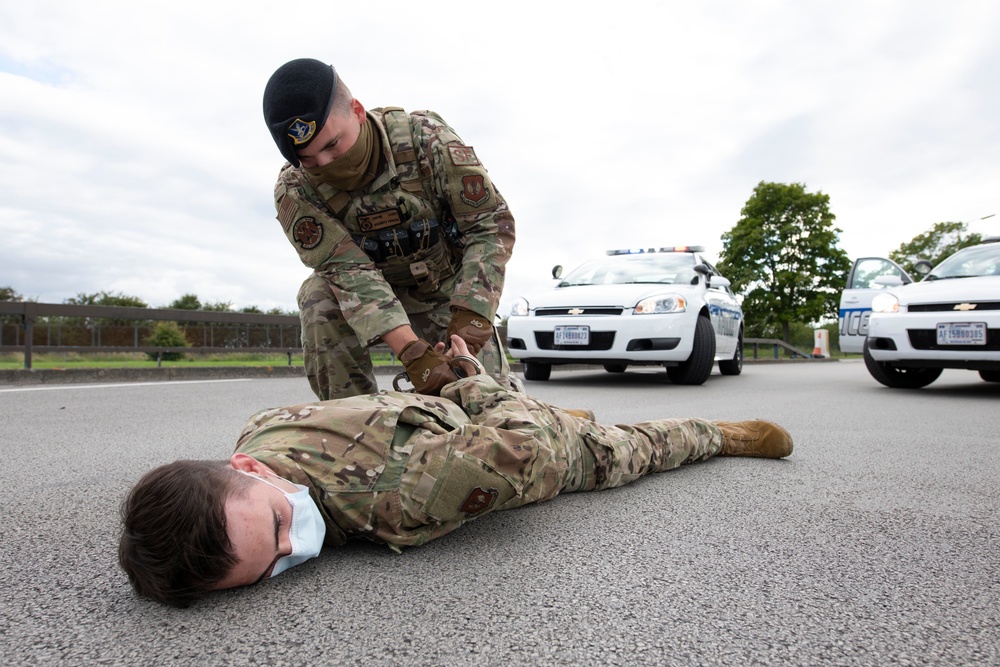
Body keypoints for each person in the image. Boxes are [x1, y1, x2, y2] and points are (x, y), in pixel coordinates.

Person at [119, 337, 794, 608]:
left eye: (275, 525)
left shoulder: (404, 503)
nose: (298, 545)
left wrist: (475, 381)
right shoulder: (258, 433)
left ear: (242, 465)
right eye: (271, 565)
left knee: (619, 450)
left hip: (509, 438)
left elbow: (524, 441)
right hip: (439, 420)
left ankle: (720, 434)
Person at [262, 58, 517, 400]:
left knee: (493, 412)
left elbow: (489, 225)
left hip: (449, 296)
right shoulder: (296, 190)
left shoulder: (425, 141)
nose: (327, 165)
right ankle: (356, 423)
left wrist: (467, 332)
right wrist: (413, 354)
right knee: (317, 295)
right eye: (308, 159)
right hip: (373, 303)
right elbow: (350, 272)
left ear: (356, 110)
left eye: (333, 145)